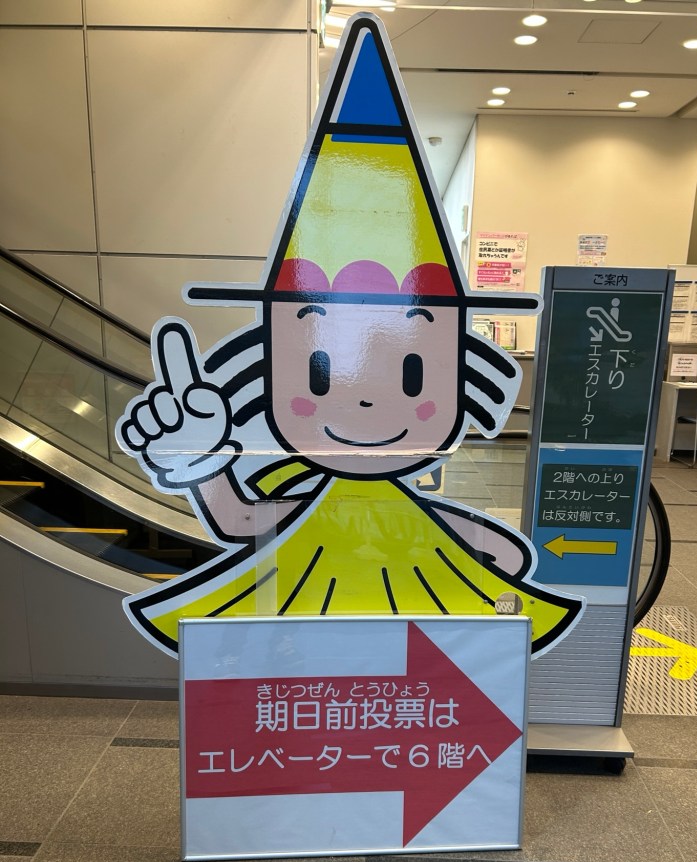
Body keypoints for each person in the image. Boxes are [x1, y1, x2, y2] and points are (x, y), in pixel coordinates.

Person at [116, 14, 584, 657]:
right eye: (318, 373)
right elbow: (237, 517)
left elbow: (495, 551)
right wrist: (199, 457)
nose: (364, 399)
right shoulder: (311, 501)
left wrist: (496, 551)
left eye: (413, 374)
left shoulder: (401, 513)